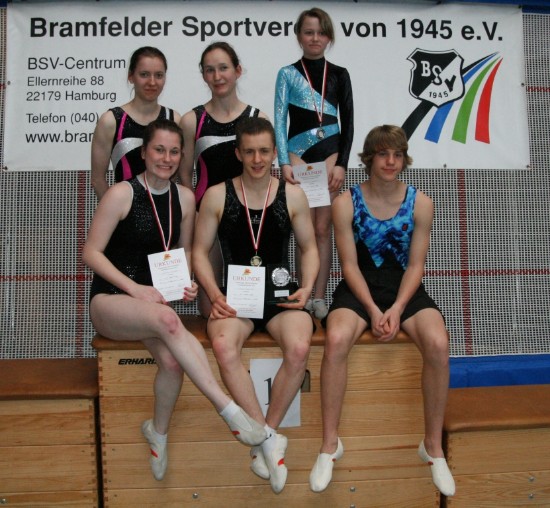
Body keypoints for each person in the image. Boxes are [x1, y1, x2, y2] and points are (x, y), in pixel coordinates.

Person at [83, 118, 267, 482]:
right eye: (158, 150)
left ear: (182, 155)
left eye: (173, 151)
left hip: (154, 304)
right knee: (169, 321)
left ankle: (158, 432)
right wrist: (135, 289)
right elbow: (91, 253)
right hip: (111, 300)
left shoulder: (184, 198)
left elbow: (182, 253)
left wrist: (186, 284)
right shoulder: (120, 193)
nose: (166, 158)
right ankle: (228, 409)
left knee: (171, 361)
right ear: (143, 152)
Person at [309, 125, 455, 497]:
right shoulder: (346, 203)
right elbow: (349, 266)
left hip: (404, 288)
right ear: (369, 158)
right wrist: (374, 310)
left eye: (397, 155)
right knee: (336, 339)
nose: (390, 162)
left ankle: (432, 447)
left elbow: (416, 266)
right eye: (383, 154)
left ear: (404, 159)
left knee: (438, 343)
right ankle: (329, 445)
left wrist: (398, 307)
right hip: (360, 288)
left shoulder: (421, 203)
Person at [193, 117, 320, 494]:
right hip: (235, 297)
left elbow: (309, 248)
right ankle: (268, 441)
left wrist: (307, 287)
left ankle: (267, 432)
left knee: (299, 348)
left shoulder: (292, 195)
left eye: (264, 151)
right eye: (249, 151)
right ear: (237, 153)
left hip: (281, 295)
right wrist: (213, 293)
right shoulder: (217, 195)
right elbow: (199, 252)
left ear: (274, 152)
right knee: (222, 346)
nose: (257, 159)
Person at [274, 7, 354, 320]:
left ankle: (319, 296)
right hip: (298, 156)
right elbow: (280, 120)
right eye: (309, 32)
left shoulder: (340, 74)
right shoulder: (287, 74)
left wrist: (342, 163)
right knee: (304, 229)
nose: (315, 38)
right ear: (299, 36)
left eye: (321, 33)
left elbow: (349, 122)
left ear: (329, 37)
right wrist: (284, 161)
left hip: (331, 154)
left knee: (323, 228)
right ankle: (303, 292)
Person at [179, 41, 268, 317]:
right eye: (210, 70)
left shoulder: (257, 118)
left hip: (250, 219)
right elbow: (184, 174)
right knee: (212, 310)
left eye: (223, 68)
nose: (217, 76)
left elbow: (265, 172)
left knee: (255, 306)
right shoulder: (192, 120)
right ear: (203, 75)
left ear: (237, 71)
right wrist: (194, 214)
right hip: (209, 218)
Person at [91, 46, 180, 201]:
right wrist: (115, 211)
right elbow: (98, 180)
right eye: (144, 74)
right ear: (131, 76)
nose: (152, 82)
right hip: (123, 212)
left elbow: (176, 175)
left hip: (165, 212)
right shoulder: (111, 121)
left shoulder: (174, 119)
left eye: (159, 75)